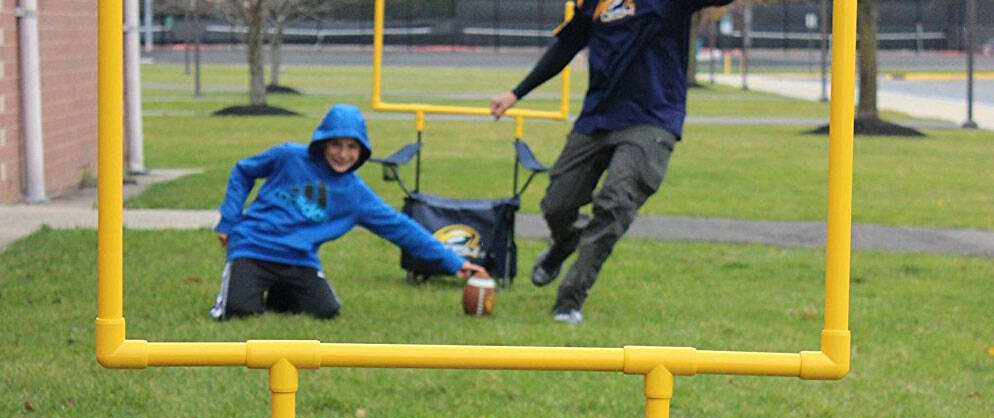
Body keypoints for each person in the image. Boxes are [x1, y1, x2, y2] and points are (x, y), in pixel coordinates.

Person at [491, 0, 732, 324]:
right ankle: (565, 244)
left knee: (615, 202)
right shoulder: (594, 3)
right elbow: (566, 46)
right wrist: (516, 93)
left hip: (651, 120)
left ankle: (569, 300)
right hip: (597, 119)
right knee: (557, 206)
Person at [211, 104, 488, 320]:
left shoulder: (356, 196)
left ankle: (281, 293)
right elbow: (242, 171)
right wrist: (229, 220)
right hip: (253, 248)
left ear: (362, 150)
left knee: (326, 311)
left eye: (352, 147)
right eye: (336, 144)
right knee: (237, 311)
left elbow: (401, 229)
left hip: (299, 259)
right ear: (322, 142)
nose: (343, 154)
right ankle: (251, 289)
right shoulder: (289, 156)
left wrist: (453, 261)